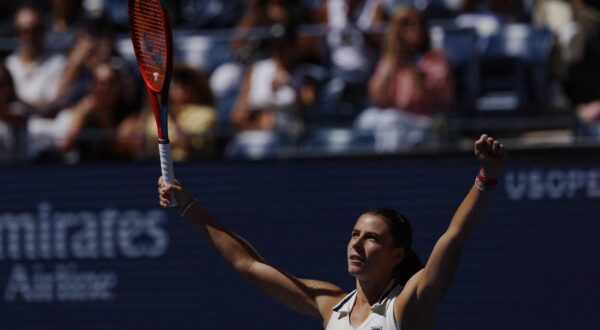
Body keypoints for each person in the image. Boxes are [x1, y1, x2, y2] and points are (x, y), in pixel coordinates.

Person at [158, 133, 507, 329]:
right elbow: (247, 264)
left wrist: (486, 178)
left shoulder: (407, 305)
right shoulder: (330, 307)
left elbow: (454, 238)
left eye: (371, 238)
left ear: (396, 255)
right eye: (354, 235)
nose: (357, 244)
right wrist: (188, 206)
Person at [355, 5, 454, 151]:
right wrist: (393, 59)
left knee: (390, 121)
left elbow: (425, 102)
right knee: (365, 120)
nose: (412, 29)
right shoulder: (389, 60)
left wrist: (411, 68)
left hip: (425, 122)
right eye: (404, 25)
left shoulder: (435, 60)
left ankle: (391, 171)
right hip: (395, 119)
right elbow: (376, 97)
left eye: (415, 24)